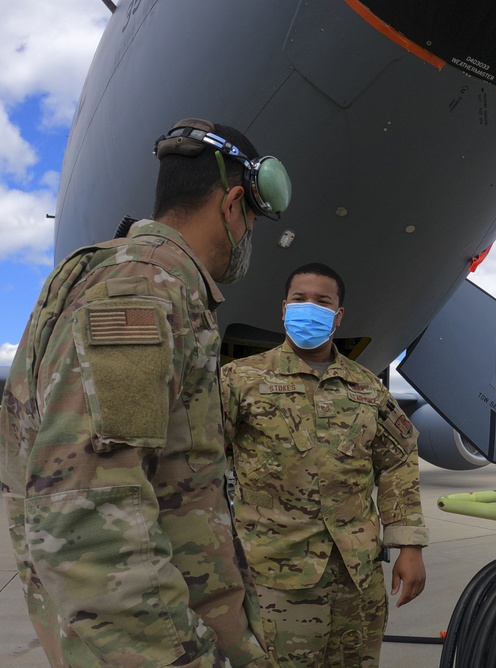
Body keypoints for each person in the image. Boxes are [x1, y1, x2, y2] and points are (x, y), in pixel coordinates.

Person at [0, 117, 291, 666]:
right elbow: (86, 519)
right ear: (232, 207)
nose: (249, 236)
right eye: (252, 219)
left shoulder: (136, 282)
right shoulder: (145, 292)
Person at [221, 262, 429, 667]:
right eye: (300, 299)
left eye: (322, 301)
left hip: (358, 576)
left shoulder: (367, 387)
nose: (309, 307)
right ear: (284, 308)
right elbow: (201, 462)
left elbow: (398, 460)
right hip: (277, 578)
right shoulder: (239, 380)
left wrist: (409, 544)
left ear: (338, 315)